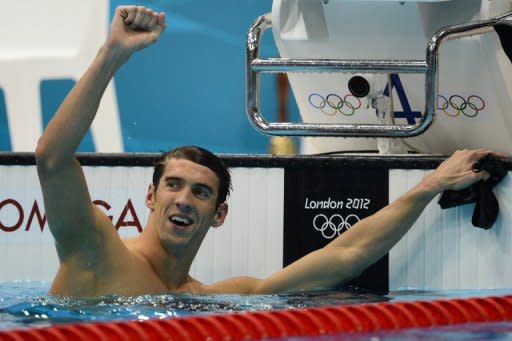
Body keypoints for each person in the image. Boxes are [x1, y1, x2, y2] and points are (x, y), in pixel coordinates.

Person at [35, 5, 503, 297]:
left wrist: (429, 184)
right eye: (173, 185)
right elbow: (52, 158)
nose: (183, 199)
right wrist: (111, 56)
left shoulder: (209, 298)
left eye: (201, 193)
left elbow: (344, 255)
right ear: (151, 196)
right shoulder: (95, 251)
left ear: (219, 215)